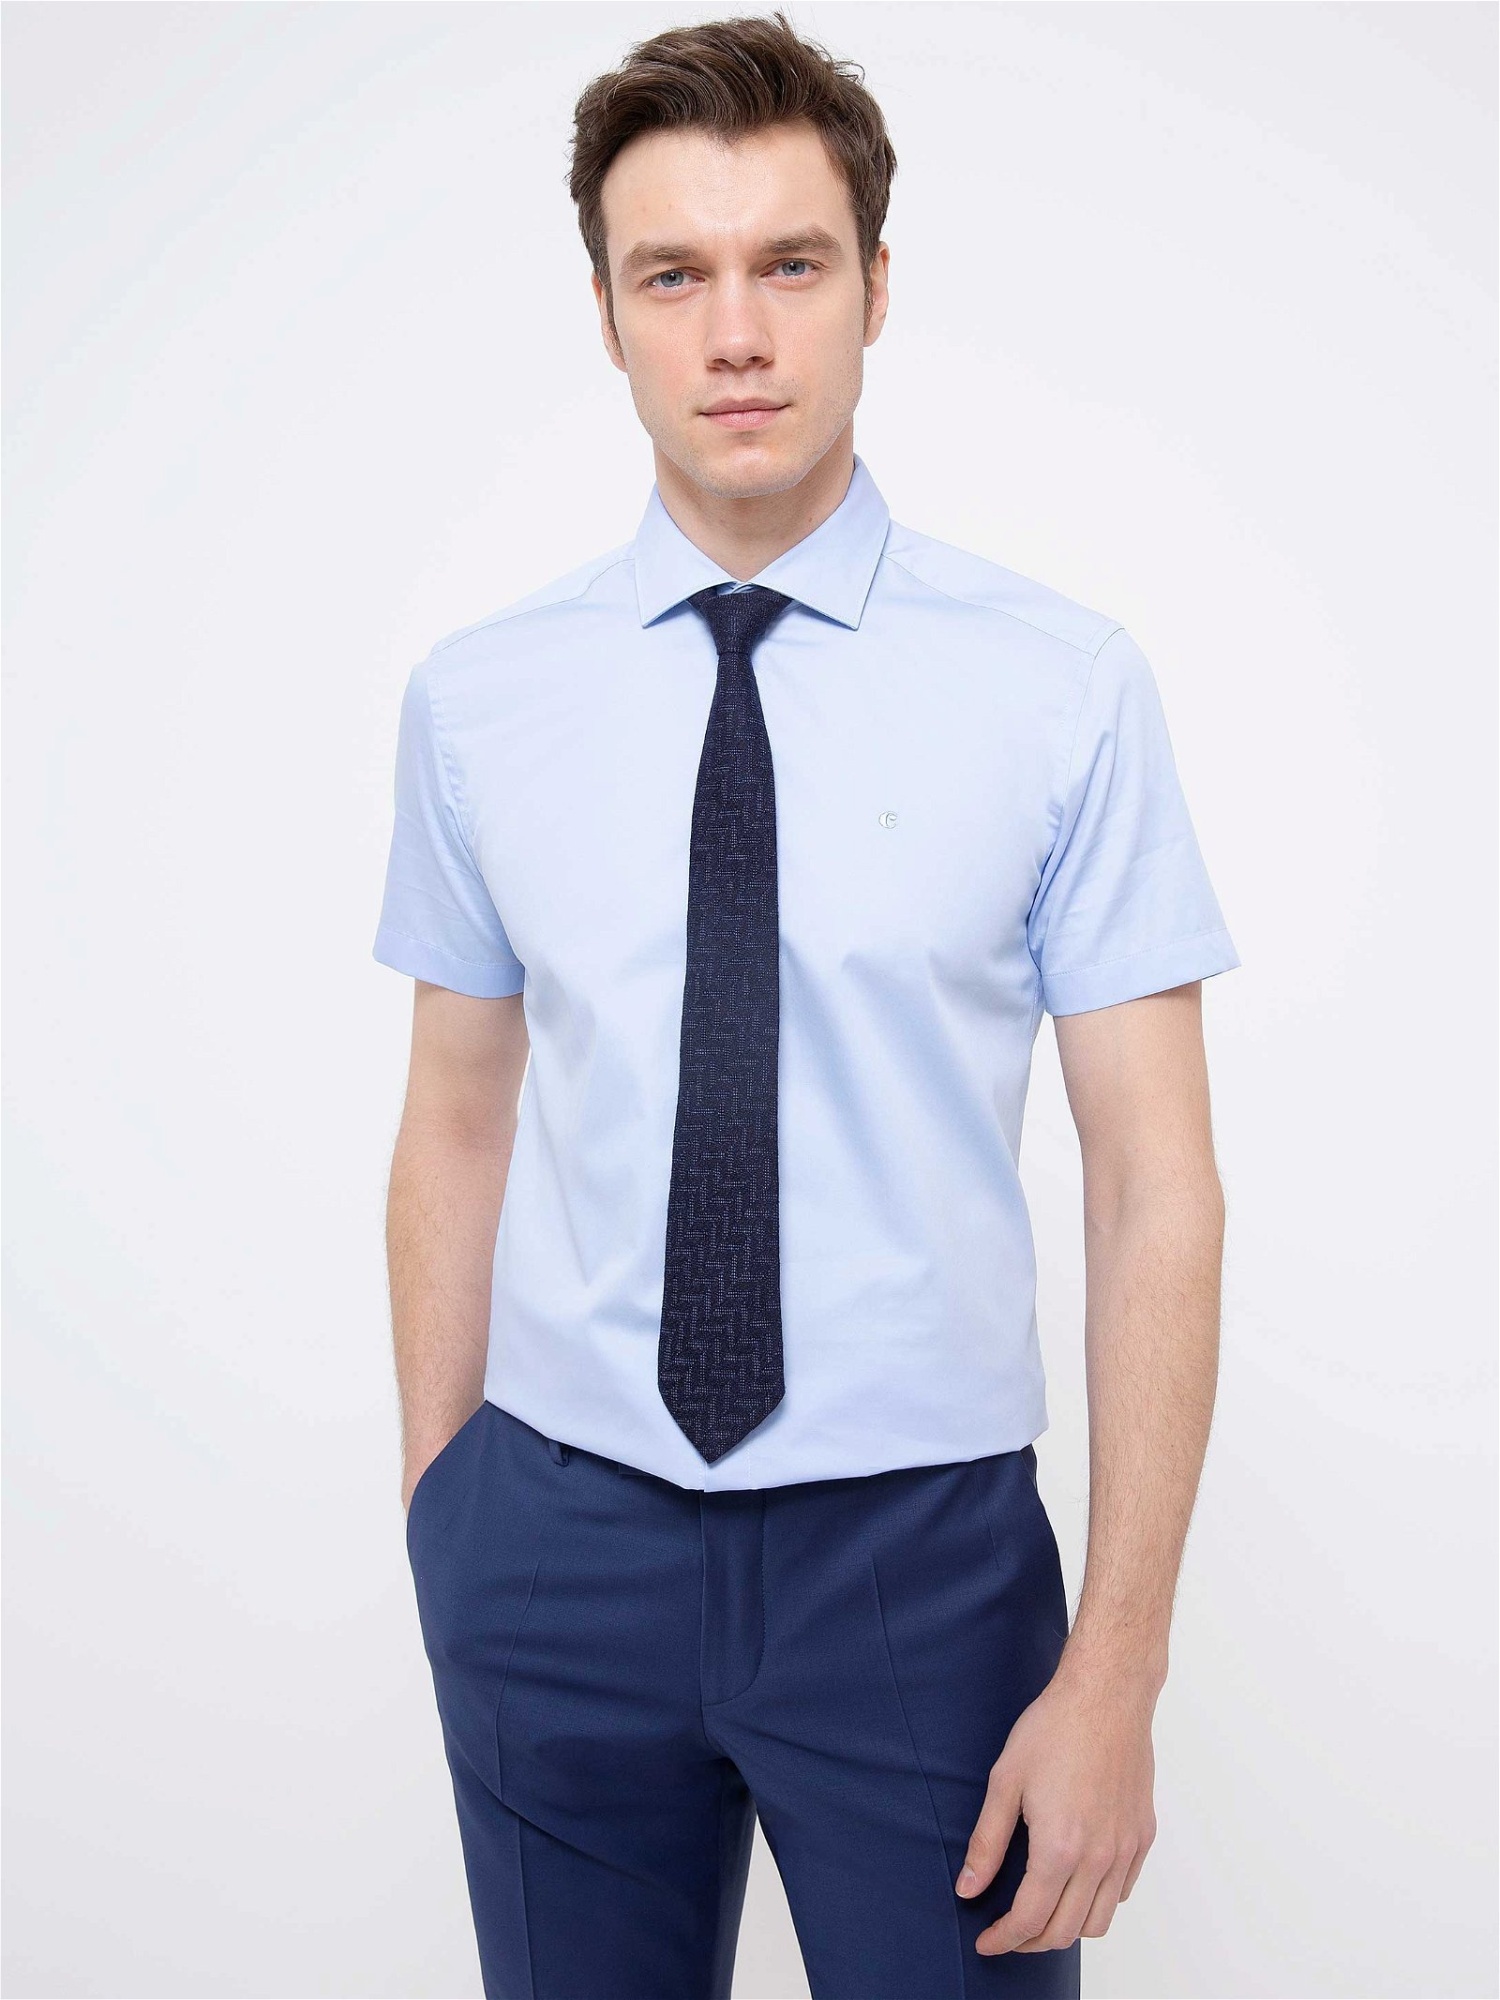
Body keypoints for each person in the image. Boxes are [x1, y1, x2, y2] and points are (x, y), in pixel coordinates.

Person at [372, 13, 1240, 1997]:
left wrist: (1116, 1668)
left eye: (791, 264)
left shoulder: (1059, 690)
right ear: (608, 315)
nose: (738, 334)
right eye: (673, 276)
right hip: (556, 1547)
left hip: (918, 1568)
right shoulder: (482, 703)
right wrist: (449, 1513)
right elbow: (454, 1117)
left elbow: (1155, 1184)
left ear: (876, 287)